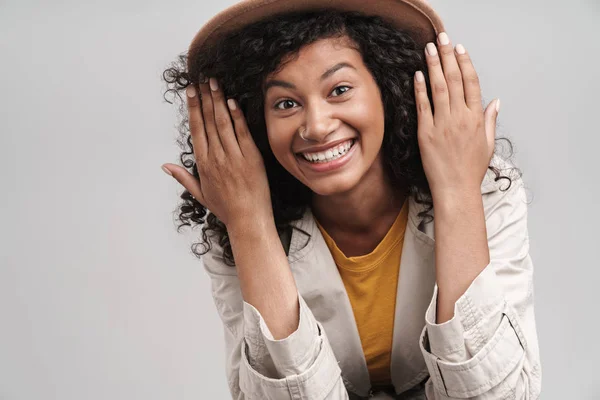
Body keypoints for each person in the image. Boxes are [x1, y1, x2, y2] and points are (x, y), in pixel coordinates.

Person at [160, 0, 542, 398]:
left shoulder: (484, 189)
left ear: (389, 89)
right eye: (286, 103)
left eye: (339, 90)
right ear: (257, 121)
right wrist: (250, 226)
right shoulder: (234, 232)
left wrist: (458, 193)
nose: (317, 127)